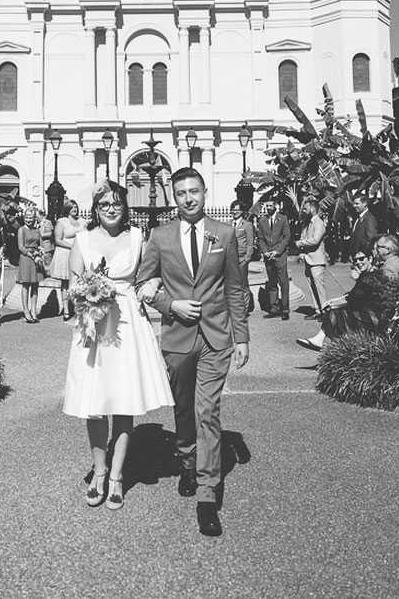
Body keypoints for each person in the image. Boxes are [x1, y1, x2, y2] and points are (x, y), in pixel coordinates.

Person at [136, 167, 249, 538]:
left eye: (194, 191)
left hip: (216, 338)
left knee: (207, 411)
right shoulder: (159, 236)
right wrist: (171, 306)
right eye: (181, 192)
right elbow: (143, 284)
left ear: (205, 192)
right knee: (184, 408)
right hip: (177, 337)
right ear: (174, 197)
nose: (188, 198)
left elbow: (235, 287)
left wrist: (242, 337)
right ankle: (187, 458)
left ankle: (206, 495)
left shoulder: (225, 234)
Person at [63, 181, 173, 512]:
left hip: (127, 321)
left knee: (123, 401)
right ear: (95, 208)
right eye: (104, 204)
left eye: (117, 203)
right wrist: (84, 295)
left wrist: (152, 286)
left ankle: (116, 477)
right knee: (95, 401)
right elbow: (72, 285)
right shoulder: (82, 239)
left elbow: (150, 276)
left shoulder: (138, 238)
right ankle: (99, 472)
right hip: (92, 323)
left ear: (124, 206)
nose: (111, 209)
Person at [296, 249, 383, 351]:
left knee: (335, 312)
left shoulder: (370, 277)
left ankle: (330, 342)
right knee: (335, 310)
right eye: (356, 260)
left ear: (370, 259)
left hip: (373, 316)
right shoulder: (368, 275)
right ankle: (325, 340)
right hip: (369, 312)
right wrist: (333, 301)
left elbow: (353, 299)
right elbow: (354, 294)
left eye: (361, 259)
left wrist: (332, 304)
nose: (358, 262)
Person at [257, 199, 291, 319]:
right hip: (268, 257)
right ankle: (274, 308)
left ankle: (285, 309)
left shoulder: (283, 219)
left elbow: (287, 237)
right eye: (267, 206)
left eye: (271, 205)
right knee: (272, 283)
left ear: (275, 206)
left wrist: (277, 251)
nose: (269, 208)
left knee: (283, 282)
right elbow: (260, 238)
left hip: (279, 255)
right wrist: (265, 252)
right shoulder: (262, 220)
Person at [296, 197, 328, 317]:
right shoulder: (309, 223)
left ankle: (325, 311)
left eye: (306, 208)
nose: (303, 210)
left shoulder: (319, 223)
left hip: (317, 261)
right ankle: (317, 311)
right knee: (312, 287)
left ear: (313, 209)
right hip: (309, 260)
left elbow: (315, 240)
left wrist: (299, 243)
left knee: (320, 288)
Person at [51, 199, 83, 321]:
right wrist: (72, 246)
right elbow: (58, 239)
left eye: (76, 207)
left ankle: (78, 308)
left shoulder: (82, 221)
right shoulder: (62, 222)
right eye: (72, 207)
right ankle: (66, 309)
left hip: (78, 253)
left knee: (78, 281)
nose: (74, 209)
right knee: (65, 282)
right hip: (65, 252)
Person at [17, 205, 44, 323]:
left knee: (35, 285)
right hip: (26, 258)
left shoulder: (37, 230)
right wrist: (31, 255)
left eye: (31, 218)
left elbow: (41, 244)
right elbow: (21, 247)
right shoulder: (21, 230)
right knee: (26, 284)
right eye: (27, 217)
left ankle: (33, 310)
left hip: (36, 257)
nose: (29, 220)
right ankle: (26, 310)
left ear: (34, 218)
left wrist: (39, 254)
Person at [230, 200, 255, 315]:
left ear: (242, 211)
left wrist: (247, 258)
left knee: (243, 284)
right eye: (233, 209)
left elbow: (250, 243)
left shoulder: (247, 225)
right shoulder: (228, 224)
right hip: (230, 259)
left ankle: (244, 310)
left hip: (241, 259)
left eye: (237, 210)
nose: (235, 212)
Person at [350, 194, 379, 258]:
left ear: (364, 203)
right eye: (354, 204)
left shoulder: (369, 218)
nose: (354, 206)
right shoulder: (358, 217)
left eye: (357, 204)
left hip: (363, 256)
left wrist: (364, 253)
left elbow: (371, 238)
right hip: (356, 254)